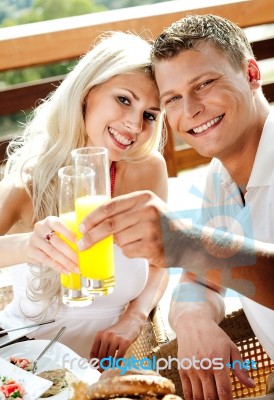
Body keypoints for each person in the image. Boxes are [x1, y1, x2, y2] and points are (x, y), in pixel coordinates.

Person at [72, 14, 274, 399]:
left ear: (251, 73)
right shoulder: (220, 178)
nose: (191, 109)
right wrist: (193, 316)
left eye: (205, 84)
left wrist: (185, 243)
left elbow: (201, 255)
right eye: (172, 100)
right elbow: (199, 279)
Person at [0, 31, 169, 359]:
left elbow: (161, 259)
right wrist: (26, 245)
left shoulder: (149, 171)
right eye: (123, 99)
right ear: (87, 92)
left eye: (149, 114)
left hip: (107, 364)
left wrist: (134, 318)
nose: (135, 125)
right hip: (22, 364)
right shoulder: (30, 177)